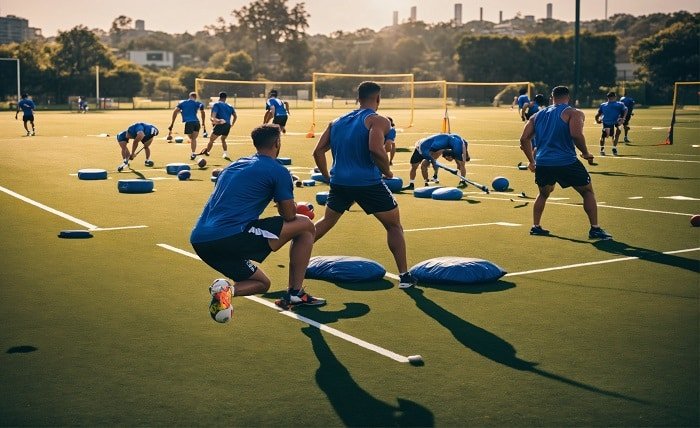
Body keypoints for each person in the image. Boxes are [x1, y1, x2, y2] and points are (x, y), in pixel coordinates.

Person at [191, 124, 325, 311]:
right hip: (230, 235)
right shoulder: (278, 170)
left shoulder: (234, 165)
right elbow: (289, 215)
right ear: (277, 143)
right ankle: (295, 294)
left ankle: (225, 292)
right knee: (306, 225)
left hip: (200, 240)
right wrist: (293, 207)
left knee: (261, 283)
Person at [311, 81, 417, 289]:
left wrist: (327, 177)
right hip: (368, 183)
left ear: (358, 98)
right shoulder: (379, 120)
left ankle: (296, 254)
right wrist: (387, 171)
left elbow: (317, 152)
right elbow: (376, 150)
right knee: (393, 225)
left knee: (325, 222)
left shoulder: (336, 121)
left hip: (339, 182)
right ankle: (404, 277)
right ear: (378, 99)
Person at [519, 85, 612, 240]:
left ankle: (536, 226)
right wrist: (585, 152)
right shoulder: (573, 112)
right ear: (568, 98)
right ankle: (595, 229)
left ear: (552, 98)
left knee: (543, 193)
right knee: (587, 192)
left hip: (543, 162)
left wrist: (532, 161)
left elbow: (523, 139)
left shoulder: (537, 115)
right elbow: (576, 135)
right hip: (566, 162)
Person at [402, 133, 470, 190]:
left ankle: (462, 181)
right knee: (417, 166)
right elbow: (433, 161)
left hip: (433, 147)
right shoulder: (424, 151)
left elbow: (464, 144)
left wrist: (466, 154)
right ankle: (413, 184)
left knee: (461, 164)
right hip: (421, 147)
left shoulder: (456, 142)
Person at [168, 91, 206, 160]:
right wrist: (203, 122)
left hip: (189, 123)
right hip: (197, 122)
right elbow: (202, 111)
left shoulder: (182, 103)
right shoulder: (198, 103)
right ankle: (193, 153)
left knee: (191, 138)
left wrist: (172, 123)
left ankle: (193, 153)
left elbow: (175, 111)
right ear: (195, 97)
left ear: (189, 96)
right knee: (194, 139)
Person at [201, 92, 237, 159]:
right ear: (226, 98)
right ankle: (225, 154)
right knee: (223, 139)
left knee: (211, 140)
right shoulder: (230, 106)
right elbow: (235, 116)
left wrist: (217, 121)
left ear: (219, 97)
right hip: (228, 125)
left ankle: (207, 152)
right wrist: (232, 124)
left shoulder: (217, 104)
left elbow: (212, 117)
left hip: (221, 124)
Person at [594, 91, 627, 156]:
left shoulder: (604, 105)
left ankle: (603, 149)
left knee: (606, 136)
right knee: (612, 135)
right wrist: (623, 118)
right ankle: (612, 148)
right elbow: (626, 110)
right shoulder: (619, 104)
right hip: (612, 121)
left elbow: (597, 115)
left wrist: (597, 120)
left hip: (612, 121)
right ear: (615, 97)